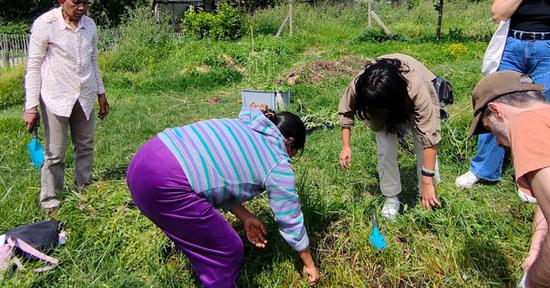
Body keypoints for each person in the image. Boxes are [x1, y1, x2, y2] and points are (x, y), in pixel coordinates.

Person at [126, 104, 320, 288]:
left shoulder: (247, 123)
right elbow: (290, 218)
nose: (289, 158)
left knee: (207, 243)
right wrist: (309, 263)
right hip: (165, 183)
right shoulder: (277, 163)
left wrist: (246, 216)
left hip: (145, 159)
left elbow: (220, 177)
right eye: (293, 154)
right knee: (226, 251)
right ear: (289, 142)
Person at [22, 0, 109, 211]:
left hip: (85, 95)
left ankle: (84, 192)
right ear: (62, 0)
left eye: (85, 3)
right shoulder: (45, 24)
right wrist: (31, 106)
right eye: (76, 2)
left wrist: (101, 92)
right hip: (56, 97)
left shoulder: (89, 25)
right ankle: (51, 202)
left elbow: (93, 60)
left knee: (86, 146)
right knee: (55, 153)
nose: (81, 8)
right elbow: (33, 66)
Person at [456, 0, 550, 189]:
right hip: (513, 46)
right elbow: (498, 13)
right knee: (497, 105)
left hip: (547, 48)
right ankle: (483, 169)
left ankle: (532, 175)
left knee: (540, 111)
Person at [468, 71, 549, 287]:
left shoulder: (525, 126)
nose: (497, 142)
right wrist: (538, 243)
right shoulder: (543, 119)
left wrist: (534, 281)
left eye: (489, 128)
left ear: (496, 111)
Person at [338, 54, 442, 220]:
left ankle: (429, 190)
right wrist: (346, 146)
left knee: (422, 145)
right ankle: (391, 197)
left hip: (406, 97)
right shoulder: (362, 84)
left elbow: (429, 136)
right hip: (380, 101)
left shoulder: (415, 87)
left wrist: (427, 182)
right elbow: (346, 110)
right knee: (385, 149)